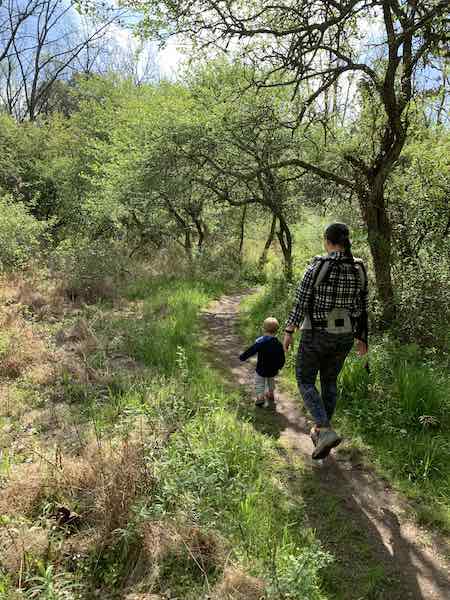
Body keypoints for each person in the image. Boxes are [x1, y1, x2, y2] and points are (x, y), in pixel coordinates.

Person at [283, 223, 369, 460]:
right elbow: (363, 306)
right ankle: (322, 432)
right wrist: (362, 337)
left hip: (316, 334)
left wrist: (289, 329)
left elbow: (301, 301)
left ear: (327, 241)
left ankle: (324, 428)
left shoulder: (318, 265)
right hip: (345, 337)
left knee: (304, 379)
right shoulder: (358, 267)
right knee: (330, 381)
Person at [240, 317, 285, 409]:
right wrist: (280, 366)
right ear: (277, 330)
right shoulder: (278, 344)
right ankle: (271, 394)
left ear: (264, 329)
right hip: (273, 369)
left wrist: (243, 357)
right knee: (270, 381)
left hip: (261, 368)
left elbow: (252, 350)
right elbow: (281, 356)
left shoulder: (261, 342)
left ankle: (260, 397)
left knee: (259, 382)